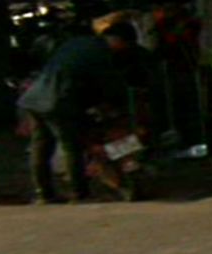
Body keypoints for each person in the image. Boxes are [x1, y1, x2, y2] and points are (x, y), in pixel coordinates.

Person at [18, 22, 138, 203]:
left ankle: (43, 193)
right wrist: (114, 102)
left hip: (36, 97)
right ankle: (79, 193)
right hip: (58, 100)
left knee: (41, 146)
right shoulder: (100, 53)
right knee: (71, 145)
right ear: (119, 41)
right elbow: (106, 83)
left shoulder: (77, 43)